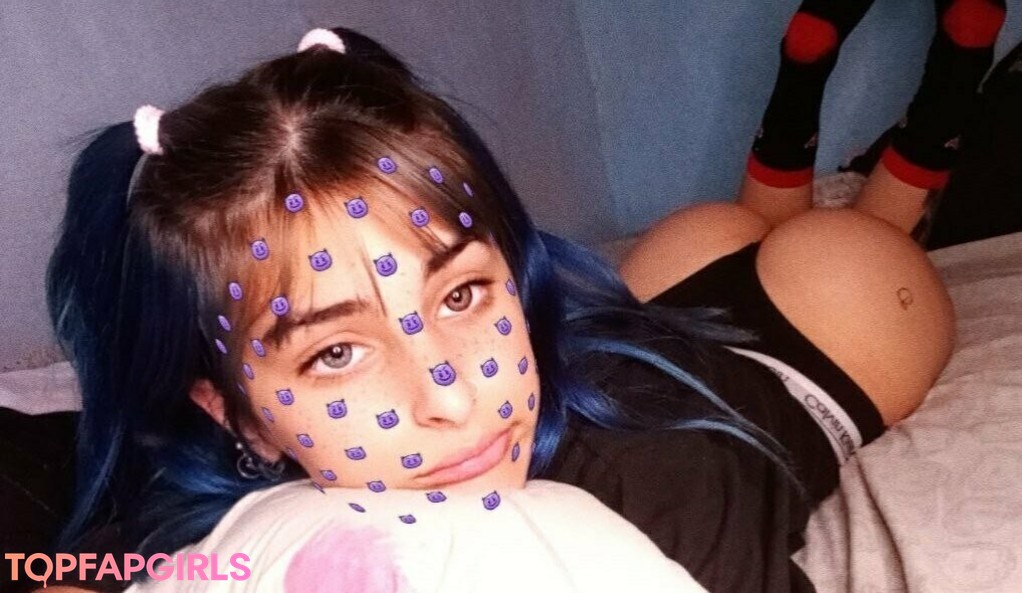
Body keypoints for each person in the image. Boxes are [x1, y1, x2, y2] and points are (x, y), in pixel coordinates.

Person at [38, 26, 954, 593]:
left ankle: (904, 98)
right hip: (660, 308)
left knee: (855, 228)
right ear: (235, 413)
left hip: (825, 327)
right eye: (336, 353)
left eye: (463, 292)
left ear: (516, 272)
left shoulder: (636, 501)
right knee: (736, 230)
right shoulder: (229, 518)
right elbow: (89, 566)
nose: (452, 397)